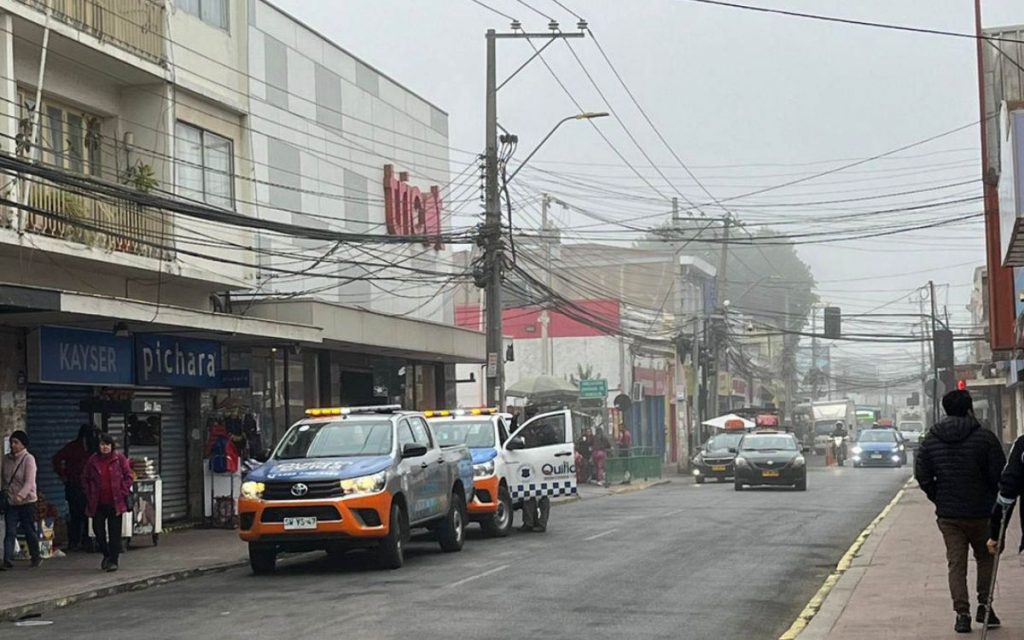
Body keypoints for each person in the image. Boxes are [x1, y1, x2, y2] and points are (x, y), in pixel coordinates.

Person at [915, 389, 1005, 633]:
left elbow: (922, 474)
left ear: (945, 410)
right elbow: (999, 475)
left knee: (956, 563)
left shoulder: (931, 439)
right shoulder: (986, 438)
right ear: (969, 409)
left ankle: (962, 615)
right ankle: (985, 607)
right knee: (986, 558)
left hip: (949, 515)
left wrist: (938, 496)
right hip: (982, 513)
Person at [82, 433, 134, 572]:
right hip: (98, 502)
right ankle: (106, 554)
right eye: (102, 444)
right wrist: (90, 492)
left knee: (114, 533)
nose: (104, 447)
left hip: (115, 502)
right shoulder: (93, 460)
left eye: (107, 444)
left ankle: (114, 561)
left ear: (112, 446)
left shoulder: (119, 459)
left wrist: (122, 490)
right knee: (98, 531)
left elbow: (129, 476)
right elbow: (85, 478)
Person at [53, 424, 97, 551]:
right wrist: (63, 475)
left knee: (87, 514)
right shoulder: (73, 447)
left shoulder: (93, 448)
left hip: (89, 487)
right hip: (74, 486)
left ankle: (86, 540)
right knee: (76, 515)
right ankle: (75, 540)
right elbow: (57, 459)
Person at [2, 430, 41, 569]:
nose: (13, 445)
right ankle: (7, 559)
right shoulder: (6, 460)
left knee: (29, 530)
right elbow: (4, 479)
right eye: (12, 442)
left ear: (23, 444)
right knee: (10, 531)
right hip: (11, 502)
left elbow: (29, 482)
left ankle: (36, 557)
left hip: (27, 502)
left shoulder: (28, 459)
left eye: (16, 442)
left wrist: (21, 495)